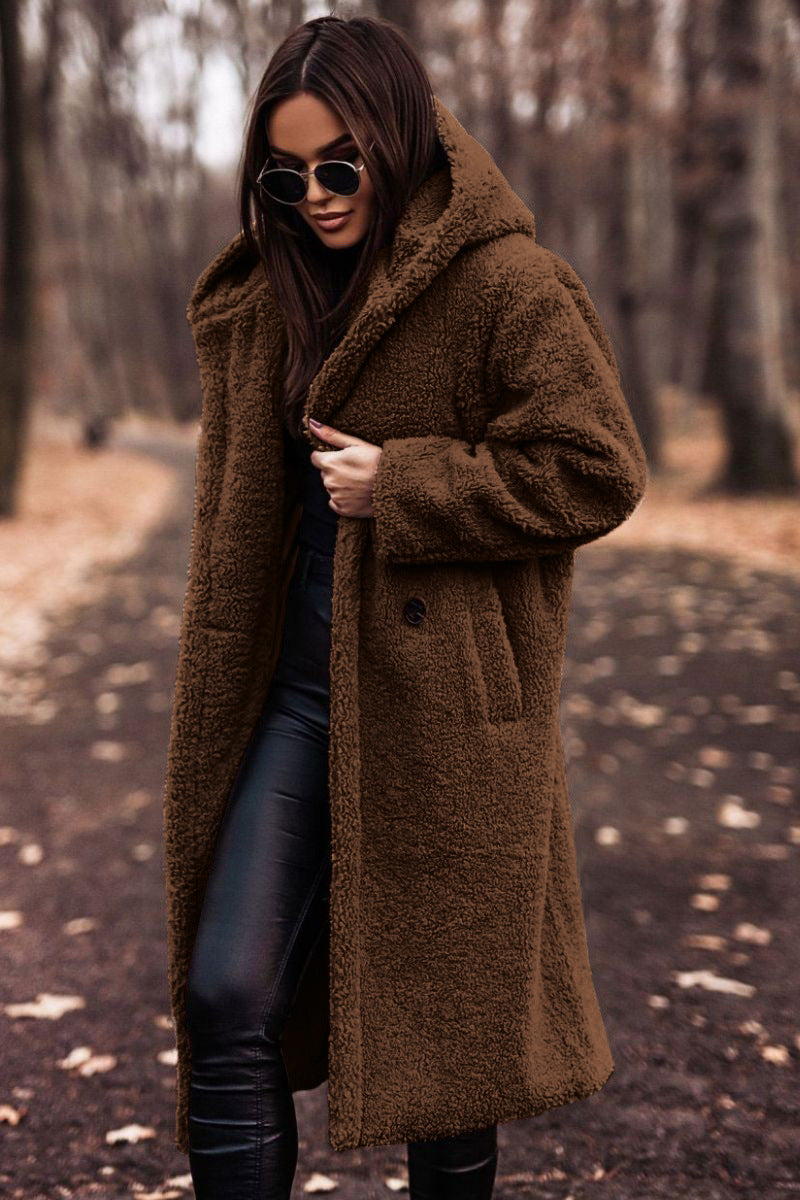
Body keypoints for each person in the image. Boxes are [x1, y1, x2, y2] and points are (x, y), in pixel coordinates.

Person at [165, 13, 647, 1200]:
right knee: (225, 994)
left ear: (398, 141)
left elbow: (597, 467)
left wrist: (411, 482)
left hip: (445, 715)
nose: (316, 197)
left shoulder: (507, 285)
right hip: (290, 700)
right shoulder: (263, 298)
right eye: (285, 177)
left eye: (341, 166)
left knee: (451, 1061)